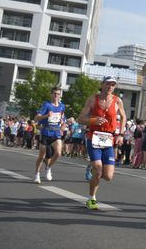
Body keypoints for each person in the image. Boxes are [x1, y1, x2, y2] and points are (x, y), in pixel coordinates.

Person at [78, 76, 127, 210]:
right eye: (108, 84)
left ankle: (91, 166)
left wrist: (121, 134)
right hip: (93, 137)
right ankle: (91, 198)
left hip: (108, 139)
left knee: (108, 176)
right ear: (102, 84)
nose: (110, 87)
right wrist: (93, 121)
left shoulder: (118, 101)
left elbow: (123, 117)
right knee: (98, 170)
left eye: (113, 85)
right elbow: (80, 119)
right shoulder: (93, 99)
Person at [33, 87, 66, 184]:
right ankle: (36, 174)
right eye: (54, 94)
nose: (56, 96)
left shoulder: (62, 106)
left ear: (60, 95)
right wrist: (46, 116)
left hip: (56, 132)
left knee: (58, 153)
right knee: (41, 156)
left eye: (58, 94)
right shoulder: (46, 105)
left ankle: (48, 167)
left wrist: (62, 127)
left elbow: (63, 119)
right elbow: (36, 118)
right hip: (46, 133)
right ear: (51, 94)